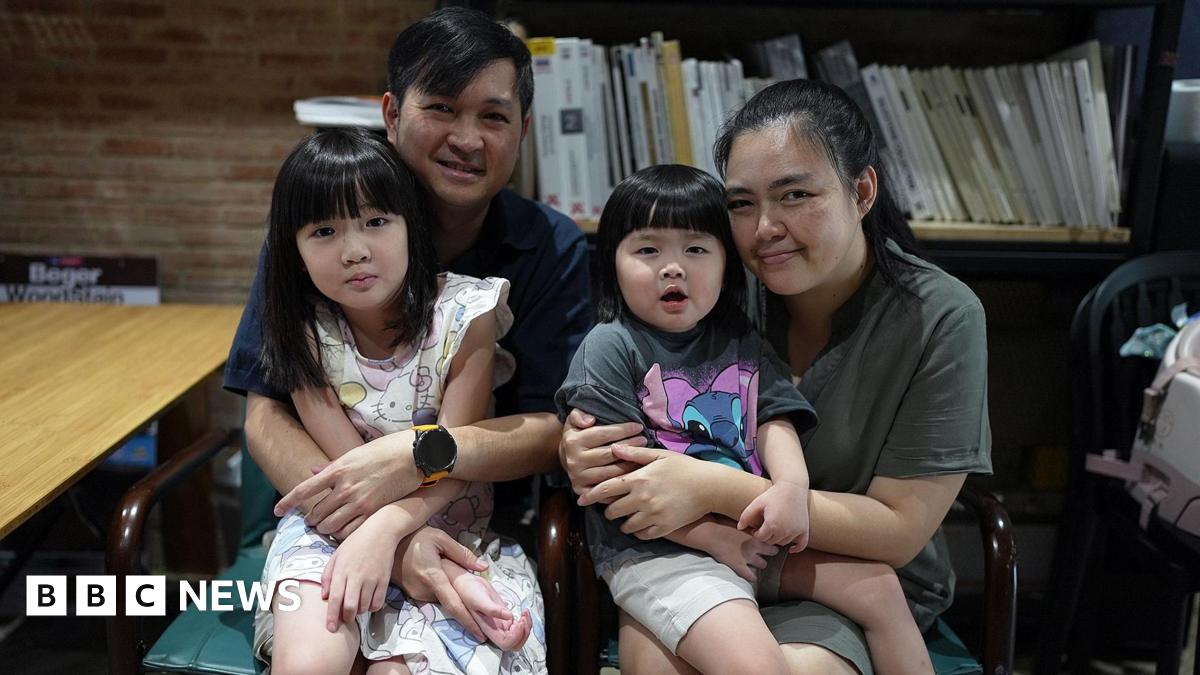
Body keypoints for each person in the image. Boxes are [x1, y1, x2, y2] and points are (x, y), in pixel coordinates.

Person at [560, 78, 992, 675]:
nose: (764, 229)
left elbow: (898, 531)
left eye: (794, 195)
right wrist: (584, 446)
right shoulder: (718, 294)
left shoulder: (938, 315)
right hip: (688, 554)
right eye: (741, 203)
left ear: (861, 190)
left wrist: (712, 488)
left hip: (845, 573)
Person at [223, 5, 589, 651]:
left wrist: (418, 454)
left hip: (476, 538)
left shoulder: (550, 250)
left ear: (524, 130)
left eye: (494, 116)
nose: (468, 138)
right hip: (331, 532)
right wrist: (391, 539)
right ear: (391, 114)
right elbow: (265, 415)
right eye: (442, 107)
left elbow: (549, 426)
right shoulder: (321, 236)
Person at [253, 128, 542, 674]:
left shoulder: (467, 314)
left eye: (376, 222)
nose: (354, 249)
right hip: (334, 526)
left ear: (412, 223)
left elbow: (460, 453)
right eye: (323, 230)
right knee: (309, 661)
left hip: (456, 532)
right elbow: (348, 473)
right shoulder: (301, 331)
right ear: (292, 249)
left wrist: (392, 534)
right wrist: (383, 538)